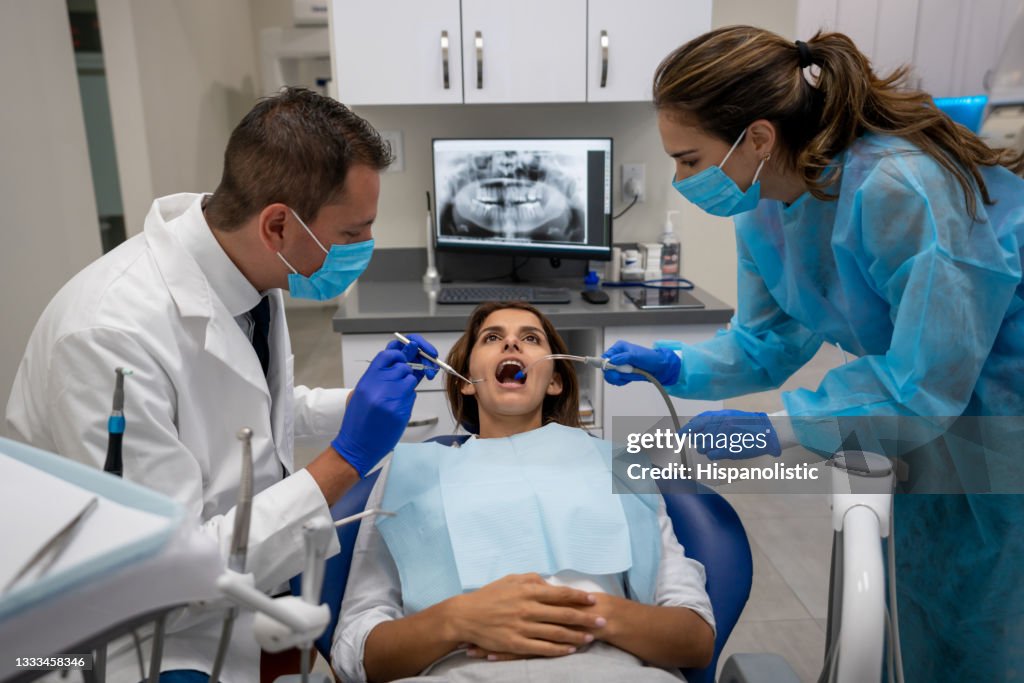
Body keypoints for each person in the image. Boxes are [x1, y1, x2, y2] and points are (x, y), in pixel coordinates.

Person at [600, 26, 1024, 680]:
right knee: (910, 604)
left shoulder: (897, 188)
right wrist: (678, 367)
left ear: (759, 139)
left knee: (986, 618)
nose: (680, 178)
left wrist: (779, 430)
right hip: (925, 410)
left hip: (1001, 405)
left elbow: (925, 385)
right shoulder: (764, 206)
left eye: (688, 159)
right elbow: (770, 338)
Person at [5, 87, 438, 683]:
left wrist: (354, 406)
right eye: (352, 234)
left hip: (245, 602)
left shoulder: (249, 269)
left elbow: (251, 406)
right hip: (125, 641)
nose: (364, 249)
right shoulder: (109, 337)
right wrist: (348, 458)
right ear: (279, 225)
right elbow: (166, 573)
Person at [332, 302, 716, 683]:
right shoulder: (410, 473)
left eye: (530, 338)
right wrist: (457, 620)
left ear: (554, 380)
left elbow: (695, 636)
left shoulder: (618, 465)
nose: (511, 345)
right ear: (466, 380)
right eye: (492, 337)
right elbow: (354, 654)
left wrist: (584, 613)